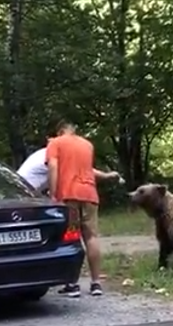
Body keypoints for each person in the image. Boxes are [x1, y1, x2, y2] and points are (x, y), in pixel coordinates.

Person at [46, 120, 121, 297]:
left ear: (60, 130)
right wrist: (109, 175)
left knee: (71, 236)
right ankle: (96, 283)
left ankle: (72, 284)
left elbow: (53, 167)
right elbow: (89, 170)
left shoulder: (55, 143)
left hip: (68, 194)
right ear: (73, 129)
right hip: (89, 194)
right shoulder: (87, 145)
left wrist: (53, 195)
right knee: (92, 237)